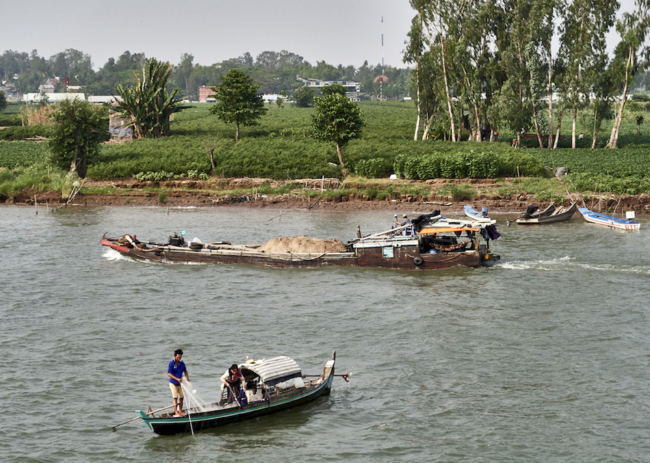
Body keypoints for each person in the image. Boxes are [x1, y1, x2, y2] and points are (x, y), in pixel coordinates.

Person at [168, 349, 190, 417]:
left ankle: (180, 411)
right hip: (173, 383)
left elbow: (185, 371)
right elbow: (169, 374)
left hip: (180, 383)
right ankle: (176, 412)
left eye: (180, 357)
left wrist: (187, 378)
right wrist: (177, 378)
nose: (179, 358)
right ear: (175, 356)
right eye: (178, 357)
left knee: (181, 397)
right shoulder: (172, 363)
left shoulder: (182, 363)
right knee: (175, 397)